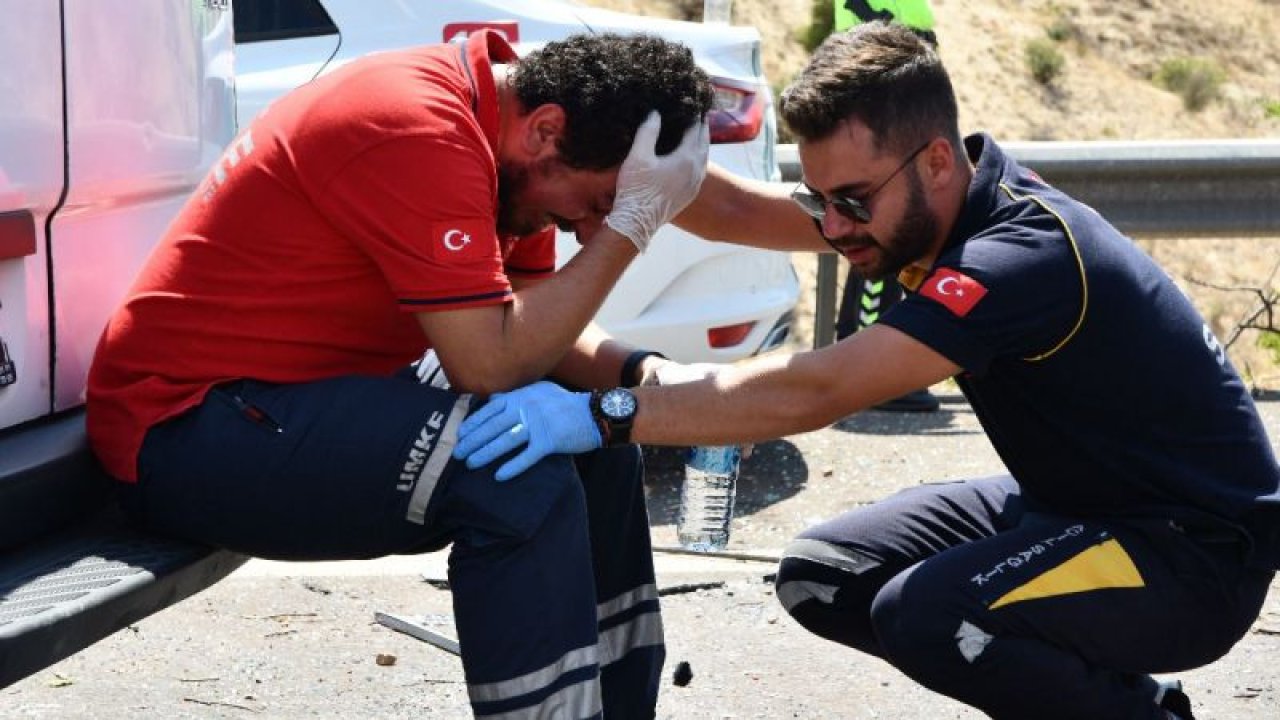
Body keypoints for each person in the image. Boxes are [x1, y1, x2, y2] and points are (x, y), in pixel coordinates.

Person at [450, 22, 1280, 720]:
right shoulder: (935, 212)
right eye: (822, 202)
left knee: (929, 615)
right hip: (1073, 509)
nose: (836, 228)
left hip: (1189, 555)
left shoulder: (1016, 258)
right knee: (825, 577)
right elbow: (743, 213)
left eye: (852, 200)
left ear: (936, 164)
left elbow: (821, 387)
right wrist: (650, 176)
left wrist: (606, 413)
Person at [86, 30, 711, 720]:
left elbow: (537, 337)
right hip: (184, 430)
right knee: (515, 475)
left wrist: (646, 375)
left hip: (285, 403)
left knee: (592, 439)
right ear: (546, 129)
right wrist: (632, 227)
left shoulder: (512, 157)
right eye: (595, 205)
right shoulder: (413, 125)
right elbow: (490, 362)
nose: (586, 231)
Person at [833, 0, 940, 412]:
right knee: (882, 243)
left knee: (883, 244)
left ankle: (866, 370)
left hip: (887, 106)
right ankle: (875, 379)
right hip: (883, 109)